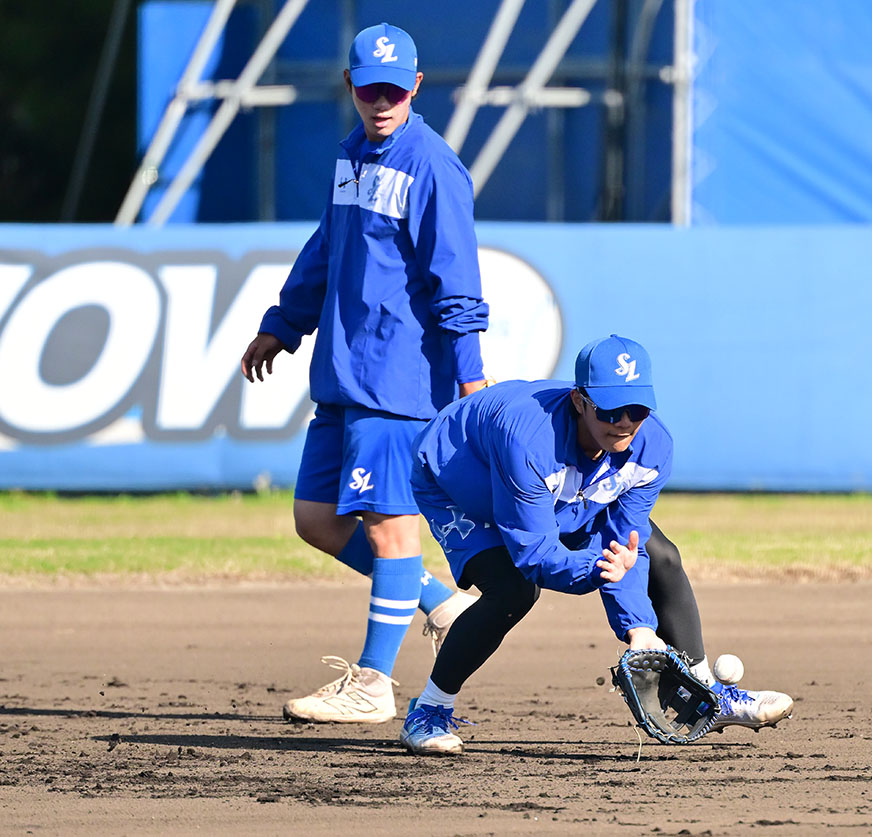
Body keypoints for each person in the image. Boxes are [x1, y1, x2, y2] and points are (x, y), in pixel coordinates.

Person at [240, 22, 486, 724]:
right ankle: (439, 601)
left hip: (398, 380)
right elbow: (328, 246)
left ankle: (374, 682)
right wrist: (284, 323)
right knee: (317, 519)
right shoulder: (352, 153)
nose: (381, 101)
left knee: (389, 528)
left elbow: (457, 281)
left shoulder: (431, 166)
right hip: (344, 374)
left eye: (394, 90)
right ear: (349, 84)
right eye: (369, 88)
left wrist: (471, 380)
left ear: (415, 87)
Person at [399, 335, 795, 755]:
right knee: (513, 589)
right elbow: (535, 556)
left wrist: (640, 631)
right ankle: (428, 711)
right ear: (579, 401)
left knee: (661, 554)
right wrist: (597, 569)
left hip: (552, 481)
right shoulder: (528, 442)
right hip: (459, 479)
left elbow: (625, 544)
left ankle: (708, 697)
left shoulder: (653, 447)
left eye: (637, 410)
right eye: (609, 409)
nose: (624, 422)